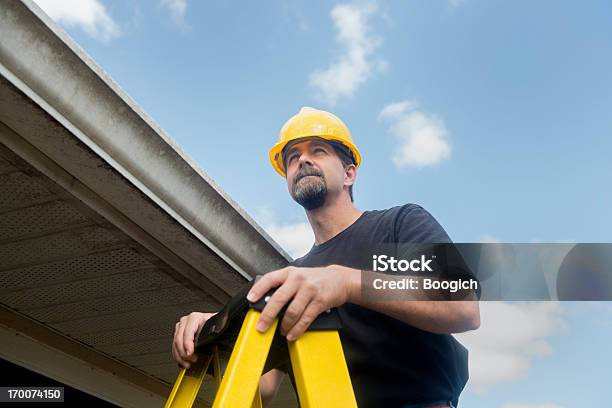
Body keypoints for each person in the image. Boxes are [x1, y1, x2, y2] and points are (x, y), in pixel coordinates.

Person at [172, 107, 480, 408]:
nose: (302, 159)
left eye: (318, 150)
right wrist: (215, 329)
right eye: (293, 157)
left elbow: (462, 306)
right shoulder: (296, 275)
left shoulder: (396, 226)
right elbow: (263, 387)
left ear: (349, 174)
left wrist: (346, 282)